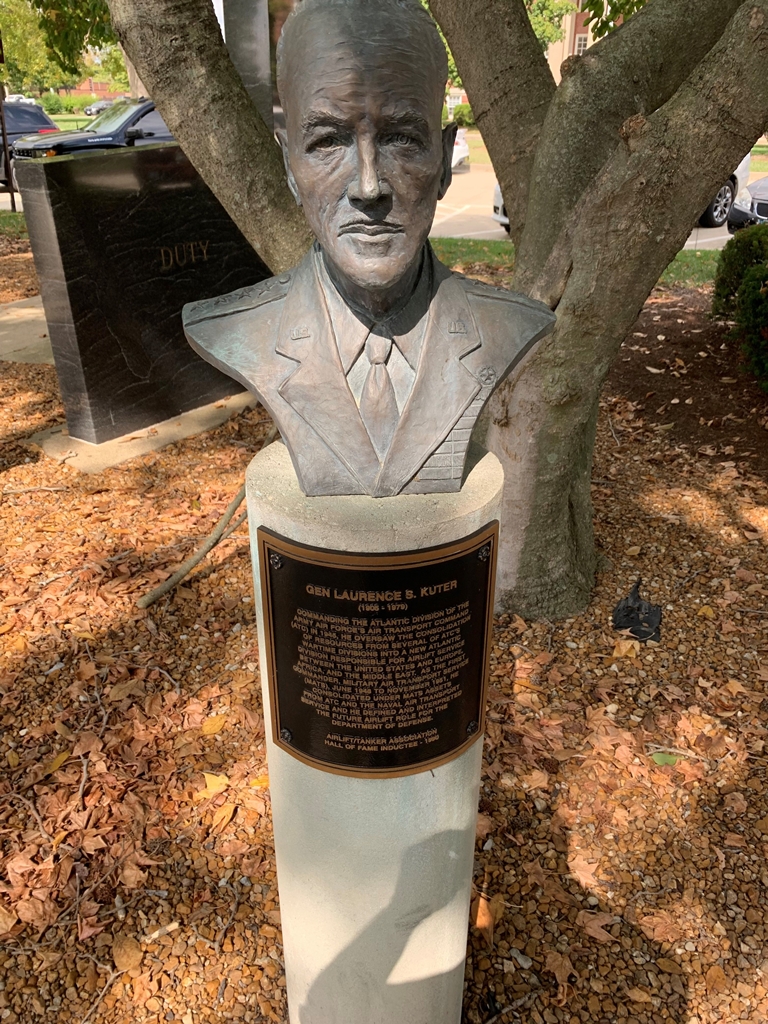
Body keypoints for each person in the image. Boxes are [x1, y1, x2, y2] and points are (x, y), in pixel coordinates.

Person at [183, 0, 555, 498]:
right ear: (291, 168)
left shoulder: (509, 327)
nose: (368, 185)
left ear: (444, 160)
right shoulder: (229, 329)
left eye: (401, 138)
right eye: (328, 142)